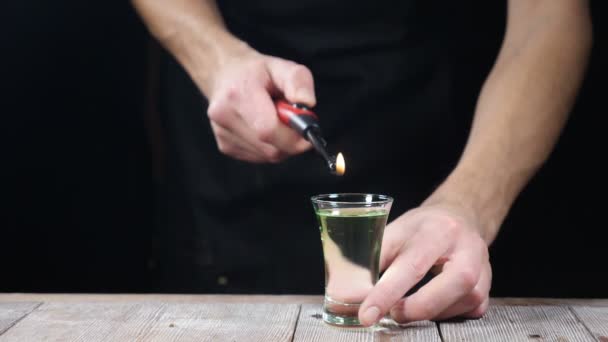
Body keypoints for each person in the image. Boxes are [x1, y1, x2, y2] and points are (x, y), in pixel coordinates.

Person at [131, 0, 592, 326]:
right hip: (229, 209)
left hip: (431, 160)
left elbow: (548, 17)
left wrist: (466, 205)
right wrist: (217, 60)